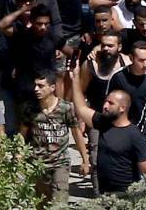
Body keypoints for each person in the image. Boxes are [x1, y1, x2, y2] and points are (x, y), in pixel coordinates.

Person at [69, 70, 146, 194]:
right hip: (104, 194)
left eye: (110, 103)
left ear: (122, 108)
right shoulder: (104, 123)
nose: (105, 106)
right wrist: (75, 79)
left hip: (125, 197)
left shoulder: (134, 134)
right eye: (106, 101)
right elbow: (81, 108)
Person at [19, 71, 89, 206]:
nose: (36, 89)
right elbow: (22, 134)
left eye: (41, 86)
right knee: (41, 202)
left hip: (60, 163)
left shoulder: (65, 108)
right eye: (35, 86)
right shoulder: (30, 109)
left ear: (52, 88)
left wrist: (85, 160)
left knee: (59, 202)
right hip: (37, 164)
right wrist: (20, 154)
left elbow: (76, 133)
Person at [75, 30, 129, 196]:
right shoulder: (90, 64)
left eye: (110, 46)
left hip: (120, 119)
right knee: (96, 157)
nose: (106, 49)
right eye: (103, 45)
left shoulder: (126, 63)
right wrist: (81, 119)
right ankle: (98, 195)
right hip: (96, 117)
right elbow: (81, 92)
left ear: (119, 47)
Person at [0, 4, 64, 134]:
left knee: (44, 131)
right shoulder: (22, 35)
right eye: (39, 23)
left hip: (46, 93)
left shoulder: (53, 37)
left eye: (46, 23)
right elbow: (2, 25)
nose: (43, 27)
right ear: (32, 21)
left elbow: (70, 52)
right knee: (23, 130)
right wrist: (21, 10)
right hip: (25, 92)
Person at [108, 41, 146, 174]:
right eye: (141, 60)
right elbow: (109, 107)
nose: (145, 64)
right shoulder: (119, 78)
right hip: (125, 135)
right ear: (131, 58)